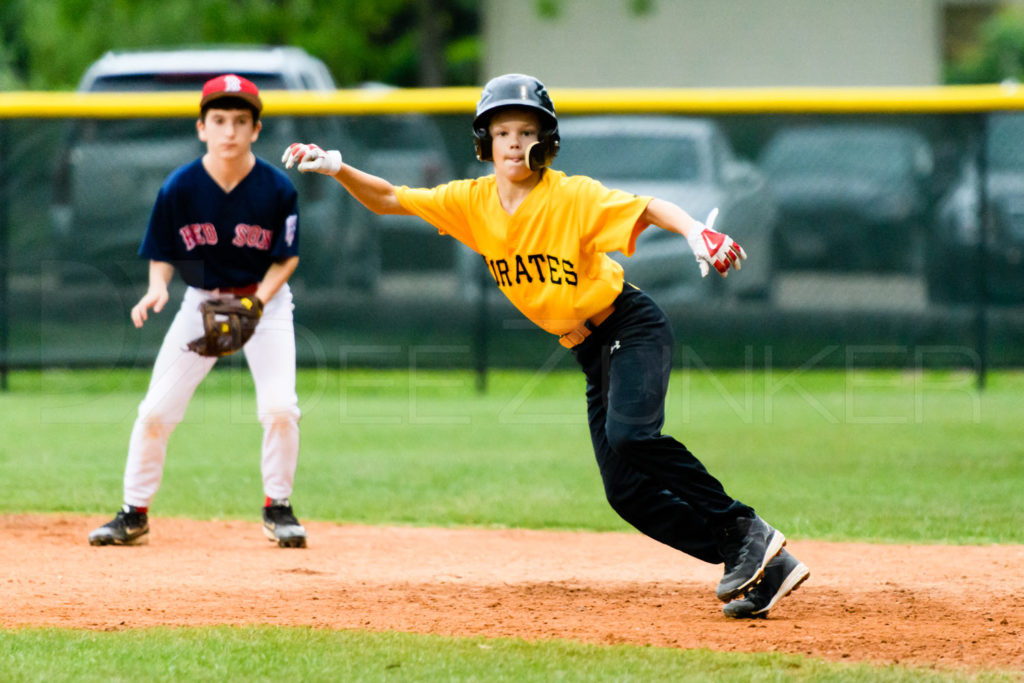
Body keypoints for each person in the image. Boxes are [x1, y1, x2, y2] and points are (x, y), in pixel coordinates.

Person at [281, 73, 809, 615]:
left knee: (631, 436)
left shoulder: (571, 196)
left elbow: (646, 207)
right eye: (502, 131)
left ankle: (745, 528)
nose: (514, 142)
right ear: (485, 143)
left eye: (526, 131)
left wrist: (696, 230)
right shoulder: (472, 201)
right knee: (626, 494)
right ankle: (759, 563)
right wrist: (339, 167)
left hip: (629, 325)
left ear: (546, 142)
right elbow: (391, 197)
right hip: (589, 350)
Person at [89, 74, 307, 549]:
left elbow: (286, 256)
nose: (229, 130)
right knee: (155, 412)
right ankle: (133, 513)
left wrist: (256, 303)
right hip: (202, 302)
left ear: (256, 129)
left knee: (280, 409)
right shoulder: (180, 188)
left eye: (240, 121)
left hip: (264, 304)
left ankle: (279, 508)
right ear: (201, 127)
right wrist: (156, 288)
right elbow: (163, 250)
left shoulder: (275, 188)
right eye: (219, 120)